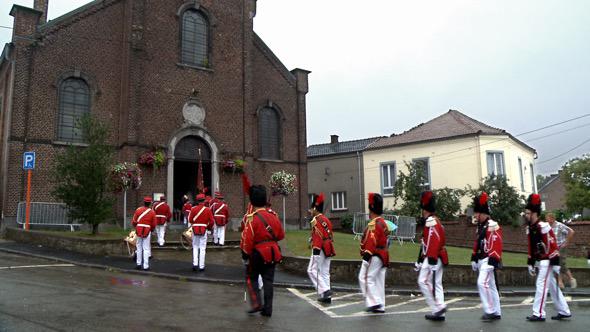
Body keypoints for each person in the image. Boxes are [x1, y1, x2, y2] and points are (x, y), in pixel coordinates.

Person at [525, 194, 571, 322]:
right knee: (551, 285)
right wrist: (530, 263)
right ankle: (564, 311)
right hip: (541, 260)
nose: (526, 215)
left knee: (541, 284)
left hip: (548, 260)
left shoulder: (544, 227)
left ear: (534, 214)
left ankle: (539, 313)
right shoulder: (530, 228)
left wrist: (555, 263)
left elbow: (553, 245)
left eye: (528, 213)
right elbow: (531, 247)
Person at [241, 184, 285, 317]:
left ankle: (256, 303)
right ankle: (268, 309)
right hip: (272, 252)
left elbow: (247, 239)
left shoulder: (252, 218)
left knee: (251, 277)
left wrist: (245, 255)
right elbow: (281, 235)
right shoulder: (274, 216)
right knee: (268, 281)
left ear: (253, 201)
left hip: (257, 253)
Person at [415, 191, 448, 321]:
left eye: (423, 209)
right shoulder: (433, 221)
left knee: (423, 281)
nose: (422, 212)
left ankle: (438, 307)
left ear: (425, 209)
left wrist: (432, 260)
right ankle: (439, 312)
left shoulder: (431, 221)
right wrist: (419, 260)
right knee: (436, 283)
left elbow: (433, 241)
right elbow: (425, 243)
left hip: (433, 257)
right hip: (435, 256)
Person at [471, 192, 503, 321]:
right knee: (492, 286)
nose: (474, 215)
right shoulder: (481, 226)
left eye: (476, 213)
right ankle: (497, 311)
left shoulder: (492, 225)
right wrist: (474, 257)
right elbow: (477, 243)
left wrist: (493, 260)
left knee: (482, 283)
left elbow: (496, 242)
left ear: (481, 213)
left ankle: (490, 310)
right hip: (482, 259)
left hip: (488, 259)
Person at [359, 193, 389, 314]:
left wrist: (366, 259)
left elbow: (371, 241)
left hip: (375, 255)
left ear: (371, 208)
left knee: (365, 278)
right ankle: (381, 305)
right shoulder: (383, 223)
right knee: (379, 280)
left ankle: (374, 302)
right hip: (384, 254)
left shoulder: (373, 224)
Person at [307, 193, 335, 303]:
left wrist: (316, 251)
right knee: (324, 272)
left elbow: (318, 236)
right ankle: (326, 297)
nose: (310, 211)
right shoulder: (326, 219)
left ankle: (325, 290)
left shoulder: (316, 220)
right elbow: (329, 234)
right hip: (328, 247)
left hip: (320, 247)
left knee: (311, 270)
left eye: (311, 208)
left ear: (315, 208)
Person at [546, 213, 577, 289]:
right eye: (546, 219)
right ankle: (560, 283)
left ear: (552, 219)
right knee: (555, 265)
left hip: (561, 247)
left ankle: (571, 279)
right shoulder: (547, 226)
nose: (546, 220)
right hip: (553, 248)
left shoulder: (559, 225)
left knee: (561, 264)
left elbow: (571, 232)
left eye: (548, 219)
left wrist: (566, 242)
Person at [188, 194, 215, 272]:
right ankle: (201, 266)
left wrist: (196, 223)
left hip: (195, 229)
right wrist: (208, 227)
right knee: (202, 248)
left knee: (195, 247)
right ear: (204, 201)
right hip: (204, 229)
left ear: (197, 201)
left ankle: (195, 264)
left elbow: (190, 220)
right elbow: (212, 221)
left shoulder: (193, 209)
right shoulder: (207, 210)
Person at [131, 197, 157, 270]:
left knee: (138, 247)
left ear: (144, 202)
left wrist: (136, 227)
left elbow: (134, 221)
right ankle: (146, 266)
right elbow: (154, 224)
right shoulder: (152, 212)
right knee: (146, 248)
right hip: (147, 230)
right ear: (150, 203)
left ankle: (138, 264)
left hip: (138, 229)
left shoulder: (138, 210)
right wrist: (151, 230)